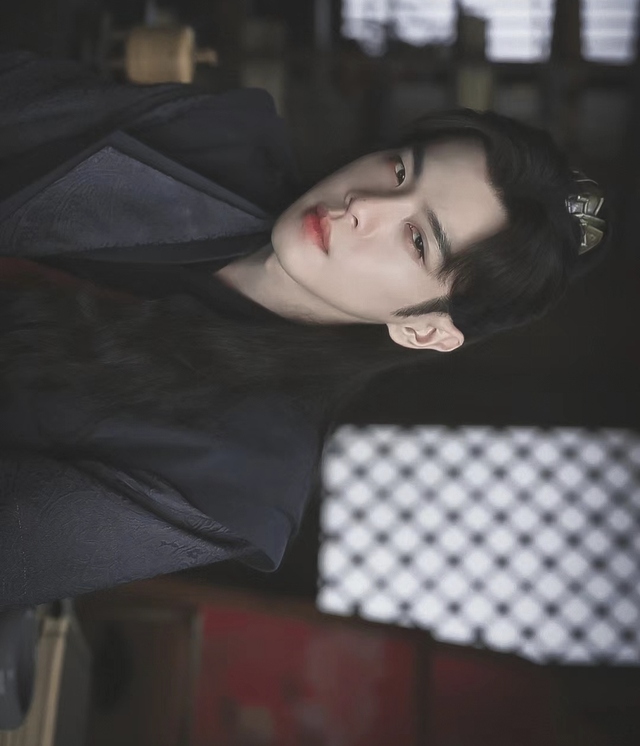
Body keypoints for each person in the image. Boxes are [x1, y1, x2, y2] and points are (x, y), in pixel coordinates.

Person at [0, 51, 607, 609]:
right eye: (401, 170)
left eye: (418, 240)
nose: (364, 205)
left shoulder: (240, 477)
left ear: (425, 330)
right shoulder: (223, 134)